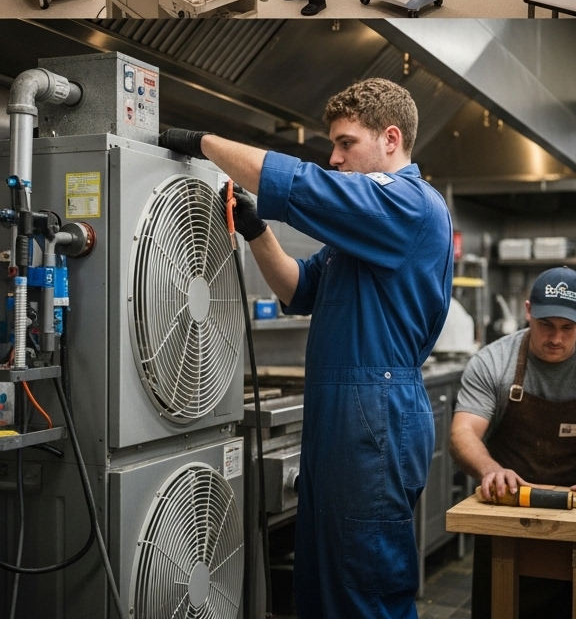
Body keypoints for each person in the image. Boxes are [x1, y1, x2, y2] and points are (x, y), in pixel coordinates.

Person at [157, 78, 453, 619]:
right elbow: (298, 289)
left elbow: (302, 184)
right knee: (323, 584)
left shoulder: (409, 204)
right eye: (333, 146)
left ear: (390, 139)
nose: (335, 158)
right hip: (342, 415)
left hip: (375, 415)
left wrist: (202, 142)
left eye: (346, 143)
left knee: (364, 589)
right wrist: (255, 231)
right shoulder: (363, 230)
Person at [450, 267, 576, 618]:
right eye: (546, 324)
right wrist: (490, 470)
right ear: (528, 310)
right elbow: (463, 432)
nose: (556, 338)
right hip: (506, 514)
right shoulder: (493, 362)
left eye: (568, 328)